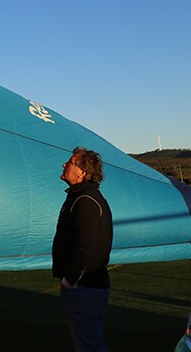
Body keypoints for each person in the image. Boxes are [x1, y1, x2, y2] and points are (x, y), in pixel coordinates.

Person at [53, 147, 113, 352]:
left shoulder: (85, 200)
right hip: (87, 286)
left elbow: (83, 245)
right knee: (92, 342)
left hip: (85, 287)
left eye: (70, 162)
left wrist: (70, 280)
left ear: (82, 173)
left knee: (89, 345)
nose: (64, 164)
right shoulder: (83, 197)